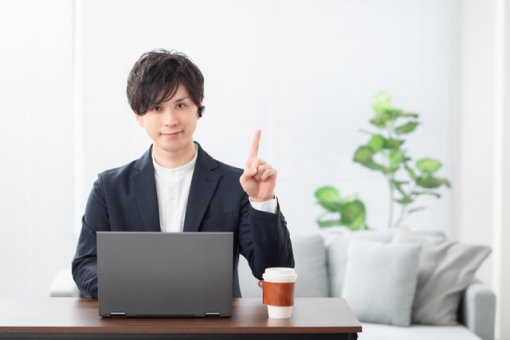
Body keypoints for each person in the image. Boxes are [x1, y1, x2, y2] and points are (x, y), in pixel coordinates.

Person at [72, 49, 295, 298]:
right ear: (139, 116)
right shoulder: (109, 188)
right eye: (156, 108)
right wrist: (139, 291)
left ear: (198, 106)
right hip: (134, 327)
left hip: (214, 330)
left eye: (180, 105)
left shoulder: (236, 185)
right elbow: (85, 266)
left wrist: (262, 202)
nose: (170, 120)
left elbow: (273, 270)